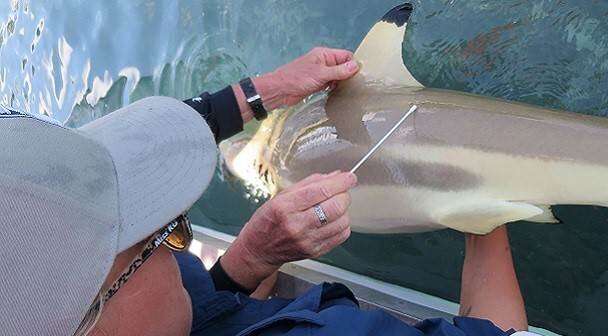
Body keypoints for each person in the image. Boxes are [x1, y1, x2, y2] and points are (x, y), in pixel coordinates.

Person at [0, 47, 536, 336]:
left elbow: (198, 313)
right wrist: (483, 195)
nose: (173, 242)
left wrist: (253, 258)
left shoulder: (123, 305)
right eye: (159, 234)